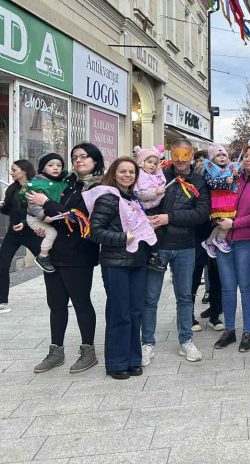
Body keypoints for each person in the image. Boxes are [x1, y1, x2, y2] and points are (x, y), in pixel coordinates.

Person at [26, 143, 104, 374]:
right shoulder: (66, 182)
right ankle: (56, 351)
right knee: (56, 304)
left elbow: (78, 217)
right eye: (75, 157)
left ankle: (88, 351)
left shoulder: (98, 187)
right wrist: (41, 223)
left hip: (79, 253)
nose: (78, 160)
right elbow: (47, 214)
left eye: (84, 156)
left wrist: (46, 203)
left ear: (95, 160)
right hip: (55, 253)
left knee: (81, 302)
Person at [142, 138, 210, 365]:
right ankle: (147, 343)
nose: (181, 160)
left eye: (185, 155)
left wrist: (168, 218)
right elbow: (144, 200)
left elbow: (201, 213)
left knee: (185, 296)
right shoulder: (159, 175)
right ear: (171, 154)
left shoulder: (199, 181)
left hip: (185, 246)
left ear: (191, 155)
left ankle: (186, 340)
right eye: (177, 155)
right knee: (150, 297)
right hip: (158, 245)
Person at [87, 157, 156, 380]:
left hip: (137, 262)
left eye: (131, 172)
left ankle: (133, 360)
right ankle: (116, 363)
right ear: (114, 173)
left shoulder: (132, 198)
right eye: (123, 171)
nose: (127, 175)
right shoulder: (108, 197)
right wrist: (122, 238)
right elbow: (94, 231)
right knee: (120, 312)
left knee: (135, 312)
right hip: (115, 263)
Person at [213, 137, 250, 352]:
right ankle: (229, 330)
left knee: (246, 288)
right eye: (245, 156)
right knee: (227, 288)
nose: (247, 159)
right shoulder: (233, 179)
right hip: (224, 240)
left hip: (247, 241)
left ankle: (247, 332)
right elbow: (219, 199)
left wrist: (234, 224)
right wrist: (217, 217)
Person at [0, 160, 42, 313]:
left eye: (14, 170)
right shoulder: (11, 189)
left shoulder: (36, 188)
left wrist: (24, 223)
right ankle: (2, 301)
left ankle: (64, 296)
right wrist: (2, 207)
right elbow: (8, 210)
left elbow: (38, 211)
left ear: (24, 171)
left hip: (32, 232)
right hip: (13, 233)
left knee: (49, 264)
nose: (11, 173)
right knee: (2, 265)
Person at [21, 153, 69, 273]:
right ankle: (42, 256)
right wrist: (43, 216)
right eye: (50, 165)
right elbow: (33, 206)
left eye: (59, 165)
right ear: (43, 168)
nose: (55, 168)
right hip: (35, 218)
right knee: (52, 233)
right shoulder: (38, 184)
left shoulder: (61, 181)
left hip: (51, 217)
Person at [200, 144, 241, 256]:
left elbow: (235, 180)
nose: (222, 157)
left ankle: (209, 242)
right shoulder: (209, 170)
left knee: (224, 222)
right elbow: (211, 183)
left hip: (229, 198)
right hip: (218, 200)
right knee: (223, 222)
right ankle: (220, 239)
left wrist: (236, 175)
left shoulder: (230, 168)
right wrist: (225, 181)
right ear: (212, 159)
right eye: (218, 155)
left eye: (224, 155)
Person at [132, 145, 167, 272]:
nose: (152, 165)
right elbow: (140, 194)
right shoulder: (140, 176)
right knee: (150, 234)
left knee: (157, 233)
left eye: (154, 163)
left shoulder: (153, 175)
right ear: (142, 162)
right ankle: (151, 257)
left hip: (154, 208)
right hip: (143, 210)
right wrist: (155, 192)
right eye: (149, 162)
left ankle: (153, 256)